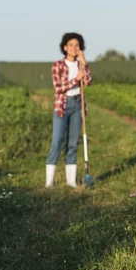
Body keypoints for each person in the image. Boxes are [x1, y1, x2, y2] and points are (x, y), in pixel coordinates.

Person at [45, 33, 92, 188]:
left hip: (77, 104)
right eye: (71, 45)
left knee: (72, 144)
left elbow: (88, 82)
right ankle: (49, 182)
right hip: (62, 106)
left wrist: (84, 64)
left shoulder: (80, 65)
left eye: (77, 45)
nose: (74, 48)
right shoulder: (57, 65)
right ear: (65, 47)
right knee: (57, 141)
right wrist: (75, 80)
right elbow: (58, 88)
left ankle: (71, 181)